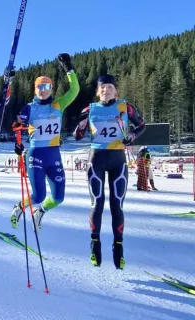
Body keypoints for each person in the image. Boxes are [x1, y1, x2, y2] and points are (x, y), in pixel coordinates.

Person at [73, 74, 146, 269]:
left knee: (117, 206)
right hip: (96, 159)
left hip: (118, 161)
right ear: (98, 91)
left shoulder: (124, 107)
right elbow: (78, 136)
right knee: (97, 203)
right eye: (102, 88)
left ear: (116, 90)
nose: (106, 90)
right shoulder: (90, 109)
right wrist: (80, 124)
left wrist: (131, 136)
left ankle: (118, 247)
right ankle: (95, 245)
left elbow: (141, 125)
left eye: (110, 87)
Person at [10, 53, 80, 231]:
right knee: (38, 195)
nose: (44, 90)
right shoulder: (29, 108)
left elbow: (74, 91)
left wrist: (68, 68)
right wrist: (18, 143)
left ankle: (40, 212)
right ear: (35, 89)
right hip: (36, 155)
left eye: (47, 86)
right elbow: (17, 128)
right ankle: (19, 207)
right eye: (40, 86)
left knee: (58, 198)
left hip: (53, 155)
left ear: (52, 88)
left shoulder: (58, 105)